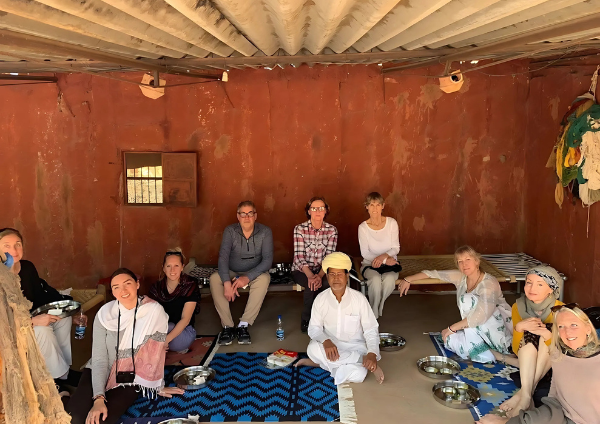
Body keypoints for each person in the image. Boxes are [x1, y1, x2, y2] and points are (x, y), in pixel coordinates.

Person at [66, 268, 184, 424]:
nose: (123, 290)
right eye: (116, 287)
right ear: (113, 292)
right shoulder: (105, 315)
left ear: (137, 284)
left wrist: (156, 384)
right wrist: (99, 398)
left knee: (101, 421)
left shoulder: (153, 311)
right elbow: (100, 358)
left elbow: (156, 352)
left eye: (127, 283)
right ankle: (64, 396)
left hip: (130, 377)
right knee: (74, 419)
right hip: (100, 368)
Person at [475, 304, 600, 424]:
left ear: (588, 328)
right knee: (535, 418)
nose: (567, 332)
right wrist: (520, 328)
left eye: (574, 325)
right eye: (561, 327)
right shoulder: (560, 353)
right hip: (559, 412)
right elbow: (554, 389)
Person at [0, 227, 85, 386]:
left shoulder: (26, 267)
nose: (14, 250)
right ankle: (63, 376)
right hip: (9, 329)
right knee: (41, 329)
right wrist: (32, 321)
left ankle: (61, 372)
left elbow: (40, 296)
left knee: (61, 319)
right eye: (7, 245)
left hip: (30, 318)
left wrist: (70, 312)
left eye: (18, 244)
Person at [399, 245, 512, 363]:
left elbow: (481, 316)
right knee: (448, 339)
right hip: (475, 329)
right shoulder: (461, 277)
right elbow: (433, 274)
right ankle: (491, 353)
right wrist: (408, 279)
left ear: (477, 261)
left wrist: (452, 328)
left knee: (467, 300)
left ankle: (493, 352)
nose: (464, 264)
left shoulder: (489, 283)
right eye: (460, 261)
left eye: (468, 259)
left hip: (498, 333)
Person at [295, 252, 384, 385]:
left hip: (355, 347)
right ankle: (359, 360)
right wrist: (326, 341)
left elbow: (370, 329)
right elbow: (314, 328)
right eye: (332, 274)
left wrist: (372, 354)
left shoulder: (359, 299)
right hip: (331, 346)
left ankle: (322, 364)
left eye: (340, 274)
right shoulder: (320, 299)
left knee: (359, 375)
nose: (336, 278)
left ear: (347, 276)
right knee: (312, 348)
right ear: (327, 276)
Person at [499, 266, 564, 417]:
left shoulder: (561, 310)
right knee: (529, 332)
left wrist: (547, 335)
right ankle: (527, 397)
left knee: (547, 331)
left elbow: (561, 350)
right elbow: (516, 348)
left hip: (554, 364)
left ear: (551, 289)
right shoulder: (518, 307)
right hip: (528, 360)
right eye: (529, 282)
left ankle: (522, 395)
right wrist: (519, 328)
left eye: (540, 284)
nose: (532, 288)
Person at [210, 200, 273, 346]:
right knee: (214, 278)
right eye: (243, 214)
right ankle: (228, 326)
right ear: (238, 216)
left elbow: (267, 260)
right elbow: (223, 257)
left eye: (250, 213)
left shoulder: (265, 232)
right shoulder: (230, 231)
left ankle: (243, 325)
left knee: (265, 278)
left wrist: (247, 277)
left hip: (253, 274)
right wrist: (226, 282)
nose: (246, 217)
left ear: (255, 216)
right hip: (233, 272)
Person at [292, 196, 338, 333]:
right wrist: (311, 276)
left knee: (325, 284)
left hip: (322, 269)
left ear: (326, 211)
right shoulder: (299, 229)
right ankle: (307, 319)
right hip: (301, 270)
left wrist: (319, 275)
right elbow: (299, 257)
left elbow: (329, 257)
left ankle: (324, 320)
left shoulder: (332, 230)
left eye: (321, 208)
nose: (318, 211)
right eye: (314, 208)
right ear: (309, 211)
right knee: (311, 285)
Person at [358, 192, 401, 319]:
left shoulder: (391, 223)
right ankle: (374, 312)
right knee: (375, 280)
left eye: (378, 205)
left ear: (383, 206)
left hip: (390, 264)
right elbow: (365, 253)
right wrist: (383, 261)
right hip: (369, 264)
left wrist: (384, 259)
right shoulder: (363, 227)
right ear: (366, 207)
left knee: (388, 281)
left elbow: (395, 248)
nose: (375, 208)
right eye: (371, 205)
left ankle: (379, 306)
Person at [149, 248, 200, 354]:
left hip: (184, 332)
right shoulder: (156, 288)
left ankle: (159, 346)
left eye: (176, 266)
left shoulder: (190, 285)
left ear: (182, 267)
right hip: (163, 329)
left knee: (168, 329)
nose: (172, 270)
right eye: (169, 266)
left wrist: (166, 340)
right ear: (163, 268)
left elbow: (185, 319)